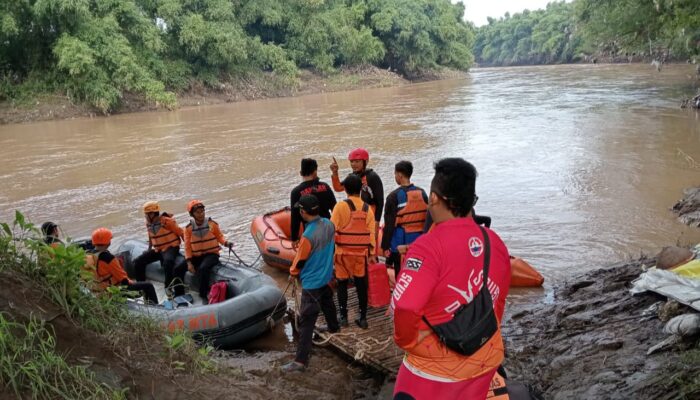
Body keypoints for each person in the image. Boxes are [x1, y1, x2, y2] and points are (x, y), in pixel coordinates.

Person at [392, 158, 511, 399]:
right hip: (486, 356)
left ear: (434, 198)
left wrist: (405, 341)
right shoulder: (494, 241)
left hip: (435, 369)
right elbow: (498, 299)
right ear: (471, 200)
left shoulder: (427, 246)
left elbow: (404, 305)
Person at [281, 195, 339, 372]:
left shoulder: (307, 235)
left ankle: (300, 361)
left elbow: (300, 260)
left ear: (303, 212)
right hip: (326, 276)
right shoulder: (329, 225)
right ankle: (333, 327)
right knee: (328, 302)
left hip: (312, 282)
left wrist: (292, 273)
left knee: (306, 321)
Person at [330, 174, 377, 329]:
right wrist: (371, 254)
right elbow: (371, 234)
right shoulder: (367, 208)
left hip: (343, 253)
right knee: (360, 284)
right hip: (360, 254)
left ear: (345, 189)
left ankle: (343, 317)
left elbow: (332, 229)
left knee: (342, 284)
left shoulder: (340, 206)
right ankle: (363, 318)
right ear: (361, 189)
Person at [86, 227, 158, 304]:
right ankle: (154, 307)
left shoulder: (89, 255)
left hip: (98, 290)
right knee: (148, 286)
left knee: (140, 284)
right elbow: (123, 279)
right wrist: (132, 283)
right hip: (114, 290)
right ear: (108, 242)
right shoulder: (108, 258)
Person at [381, 161, 429, 277]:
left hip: (400, 244)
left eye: (395, 174)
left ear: (400, 175)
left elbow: (389, 224)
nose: (395, 177)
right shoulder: (422, 193)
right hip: (419, 242)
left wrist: (385, 246)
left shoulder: (393, 197)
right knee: (419, 274)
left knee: (401, 274)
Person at [132, 201, 187, 298]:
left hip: (171, 247)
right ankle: (141, 286)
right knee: (138, 262)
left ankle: (168, 286)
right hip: (159, 249)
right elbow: (151, 237)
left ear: (152, 214)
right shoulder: (149, 223)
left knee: (168, 262)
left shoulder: (167, 221)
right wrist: (149, 249)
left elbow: (181, 233)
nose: (145, 216)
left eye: (146, 214)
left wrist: (188, 249)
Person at [184, 200, 233, 303]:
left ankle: (203, 294)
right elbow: (187, 246)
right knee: (178, 267)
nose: (201, 214)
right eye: (198, 212)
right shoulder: (188, 229)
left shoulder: (212, 224)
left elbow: (219, 237)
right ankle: (178, 292)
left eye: (202, 211)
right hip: (197, 255)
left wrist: (226, 243)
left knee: (203, 268)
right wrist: (189, 262)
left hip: (212, 254)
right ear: (192, 214)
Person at [330, 148, 384, 233]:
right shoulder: (352, 176)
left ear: (365, 162)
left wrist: (376, 221)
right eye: (352, 161)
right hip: (354, 215)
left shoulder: (373, 177)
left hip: (369, 214)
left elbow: (380, 202)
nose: (354, 164)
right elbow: (338, 188)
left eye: (357, 161)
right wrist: (335, 173)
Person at [290, 158, 337, 242]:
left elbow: (295, 218)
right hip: (328, 230)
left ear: (301, 173)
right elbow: (335, 209)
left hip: (310, 234)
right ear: (315, 172)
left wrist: (294, 239)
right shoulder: (325, 186)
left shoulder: (296, 192)